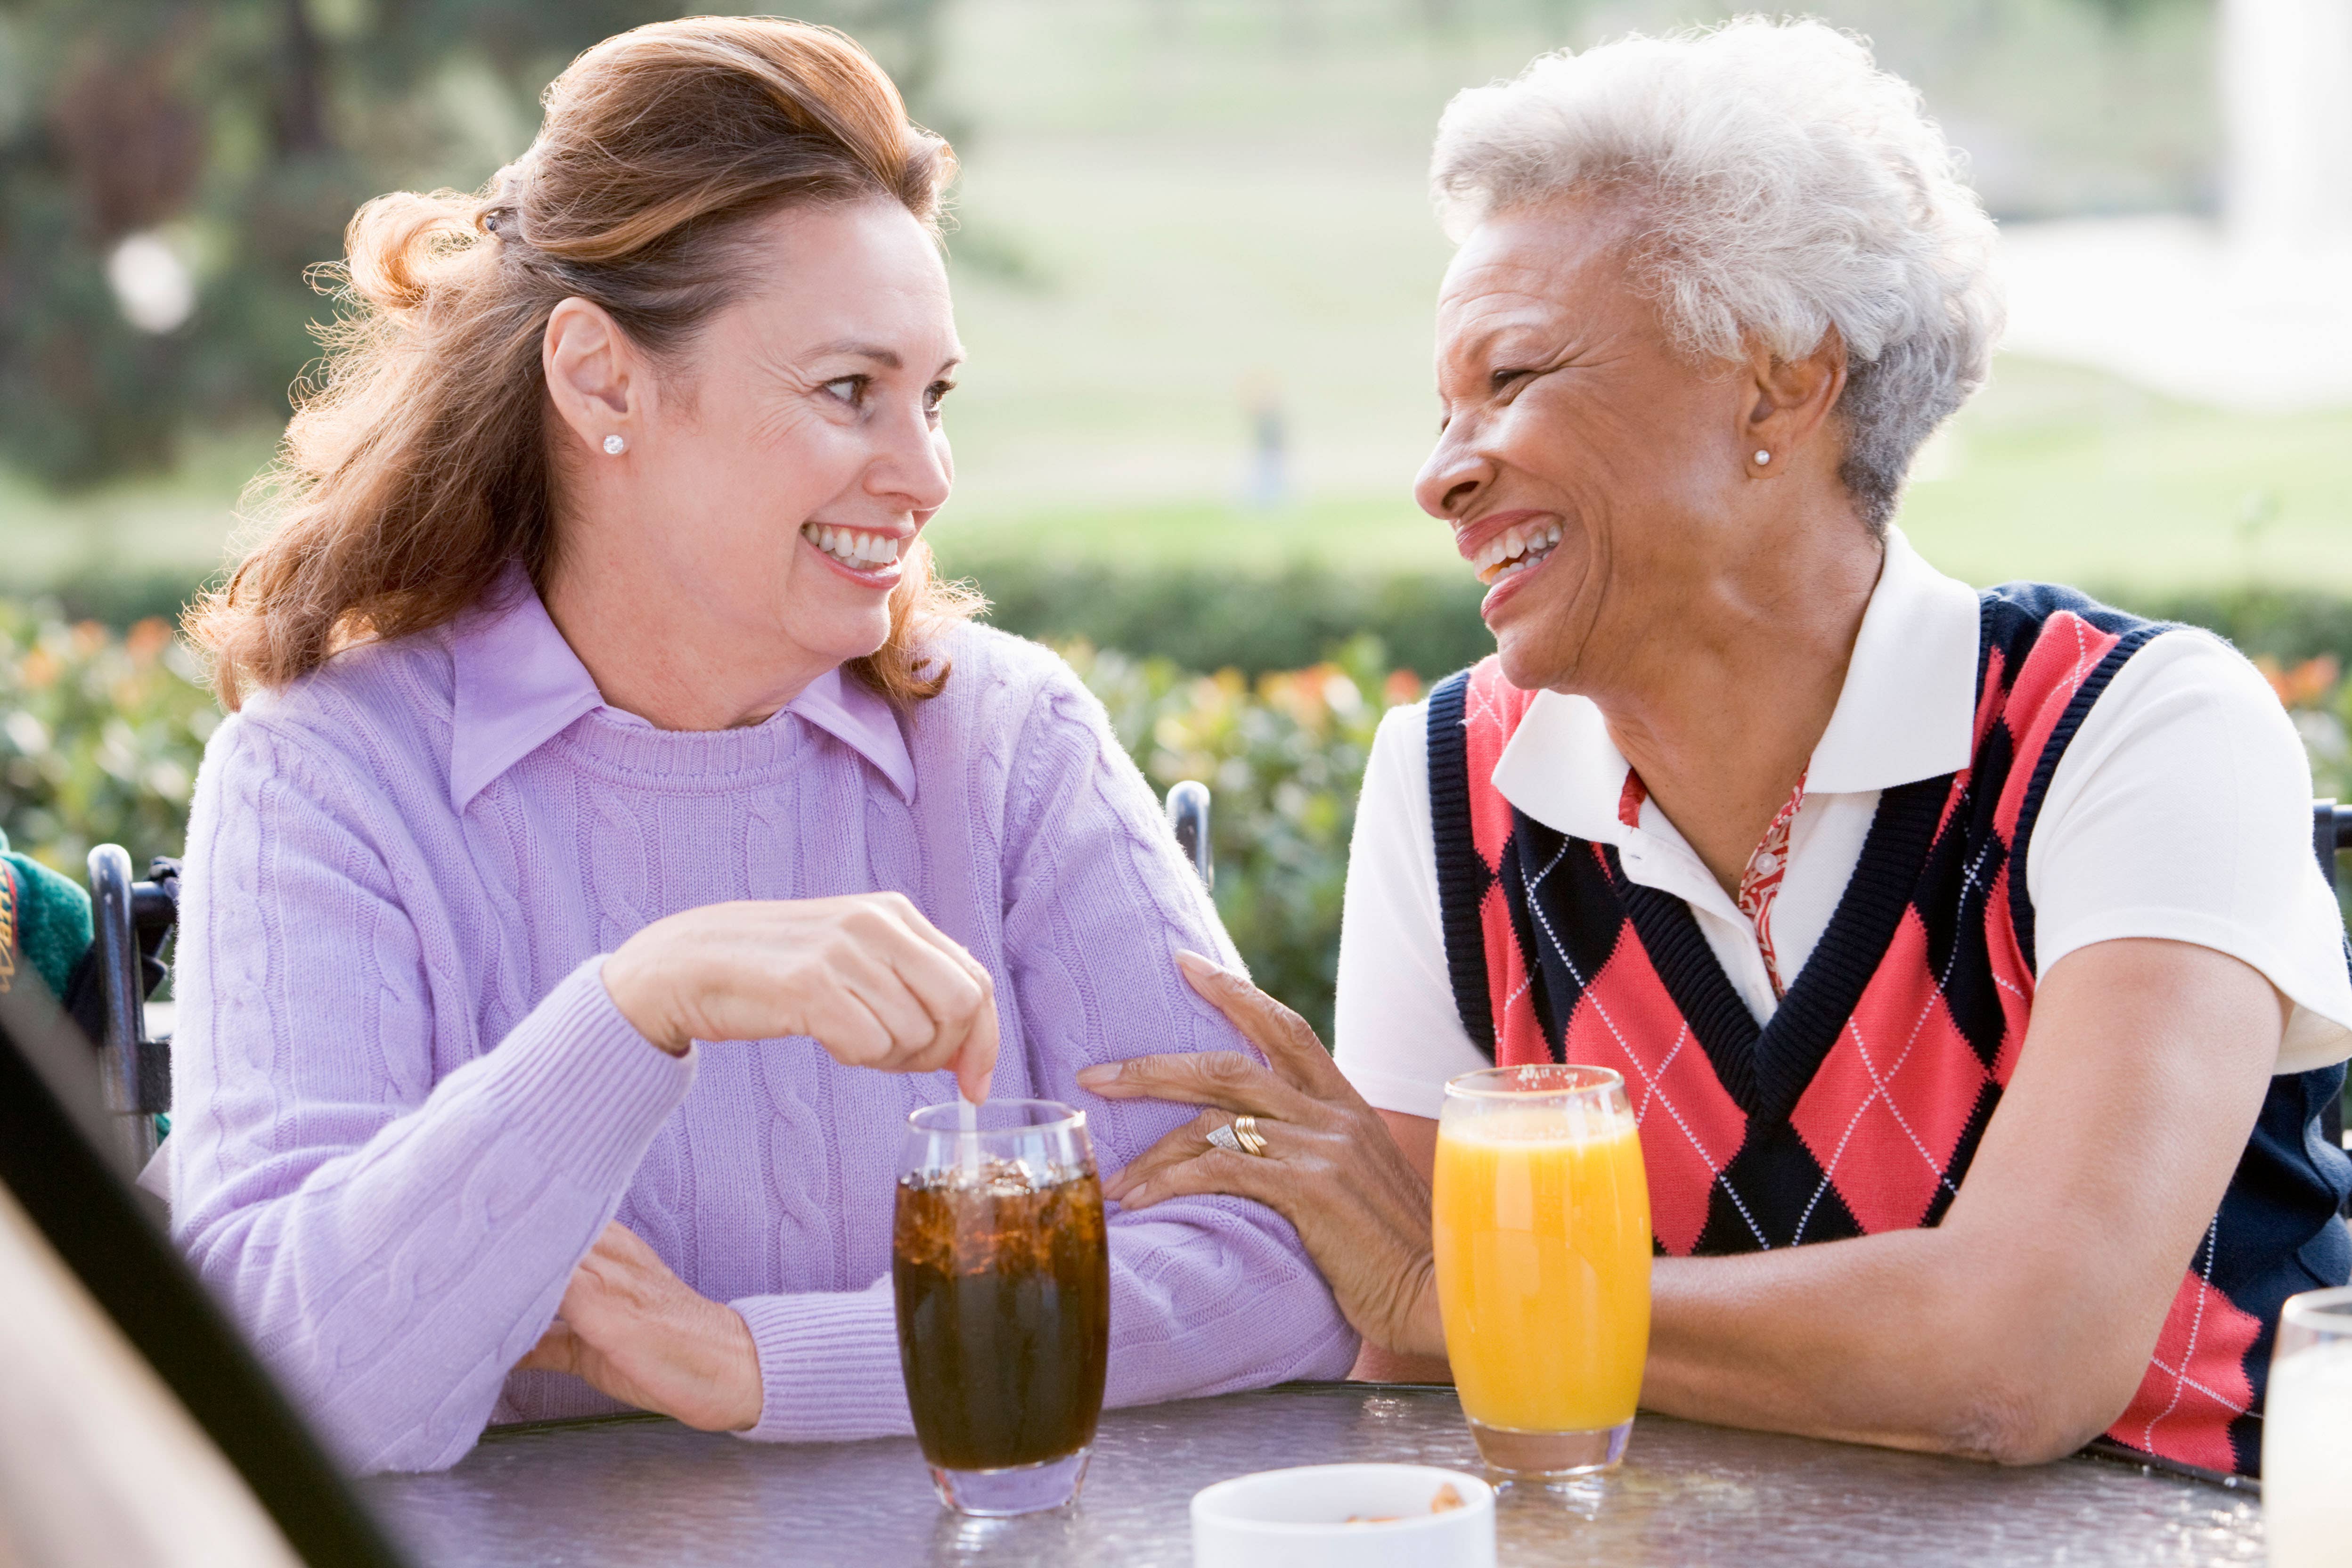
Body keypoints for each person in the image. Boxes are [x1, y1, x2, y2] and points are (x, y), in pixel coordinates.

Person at [1081, 18, 2352, 1478]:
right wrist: (1430, 1309)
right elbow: (1415, 1371)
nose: (1441, 474)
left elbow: (2016, 1358)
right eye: (1444, 409)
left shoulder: (2136, 732)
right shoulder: (1445, 782)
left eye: (1512, 379)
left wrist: (1462, 1299)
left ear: (1777, 386)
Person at [168, 17, 1351, 1475]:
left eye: (936, 397)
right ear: (602, 382)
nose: (925, 474)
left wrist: (757, 1364)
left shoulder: (1004, 739)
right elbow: (288, 1377)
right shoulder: (332, 776)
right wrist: (646, 1001)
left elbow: (1284, 1253)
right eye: (849, 389)